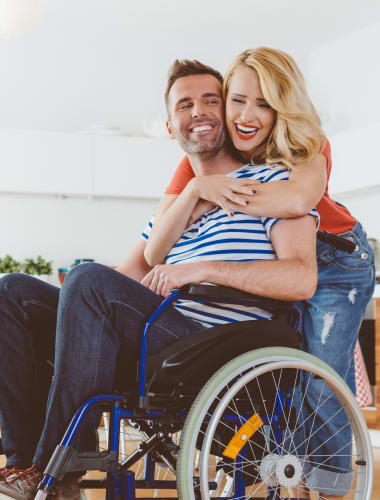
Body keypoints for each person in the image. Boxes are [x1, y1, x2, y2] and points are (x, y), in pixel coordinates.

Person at [0, 60, 318, 500]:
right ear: (169, 124)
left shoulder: (272, 181)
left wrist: (203, 268)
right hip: (161, 328)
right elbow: (122, 277)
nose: (198, 111)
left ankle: (55, 473)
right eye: (185, 104)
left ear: (228, 113)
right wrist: (72, 313)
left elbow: (301, 278)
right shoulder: (174, 209)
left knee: (87, 280)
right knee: (11, 293)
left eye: (211, 100)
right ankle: (22, 465)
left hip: (213, 341)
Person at [145, 49, 376, 498]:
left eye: (265, 104)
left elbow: (294, 203)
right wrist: (196, 187)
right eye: (238, 100)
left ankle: (329, 487)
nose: (247, 115)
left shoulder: (308, 143)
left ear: (283, 109)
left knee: (320, 374)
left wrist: (217, 195)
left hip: (339, 262)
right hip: (279, 260)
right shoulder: (214, 147)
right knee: (291, 376)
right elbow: (161, 227)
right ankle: (290, 471)